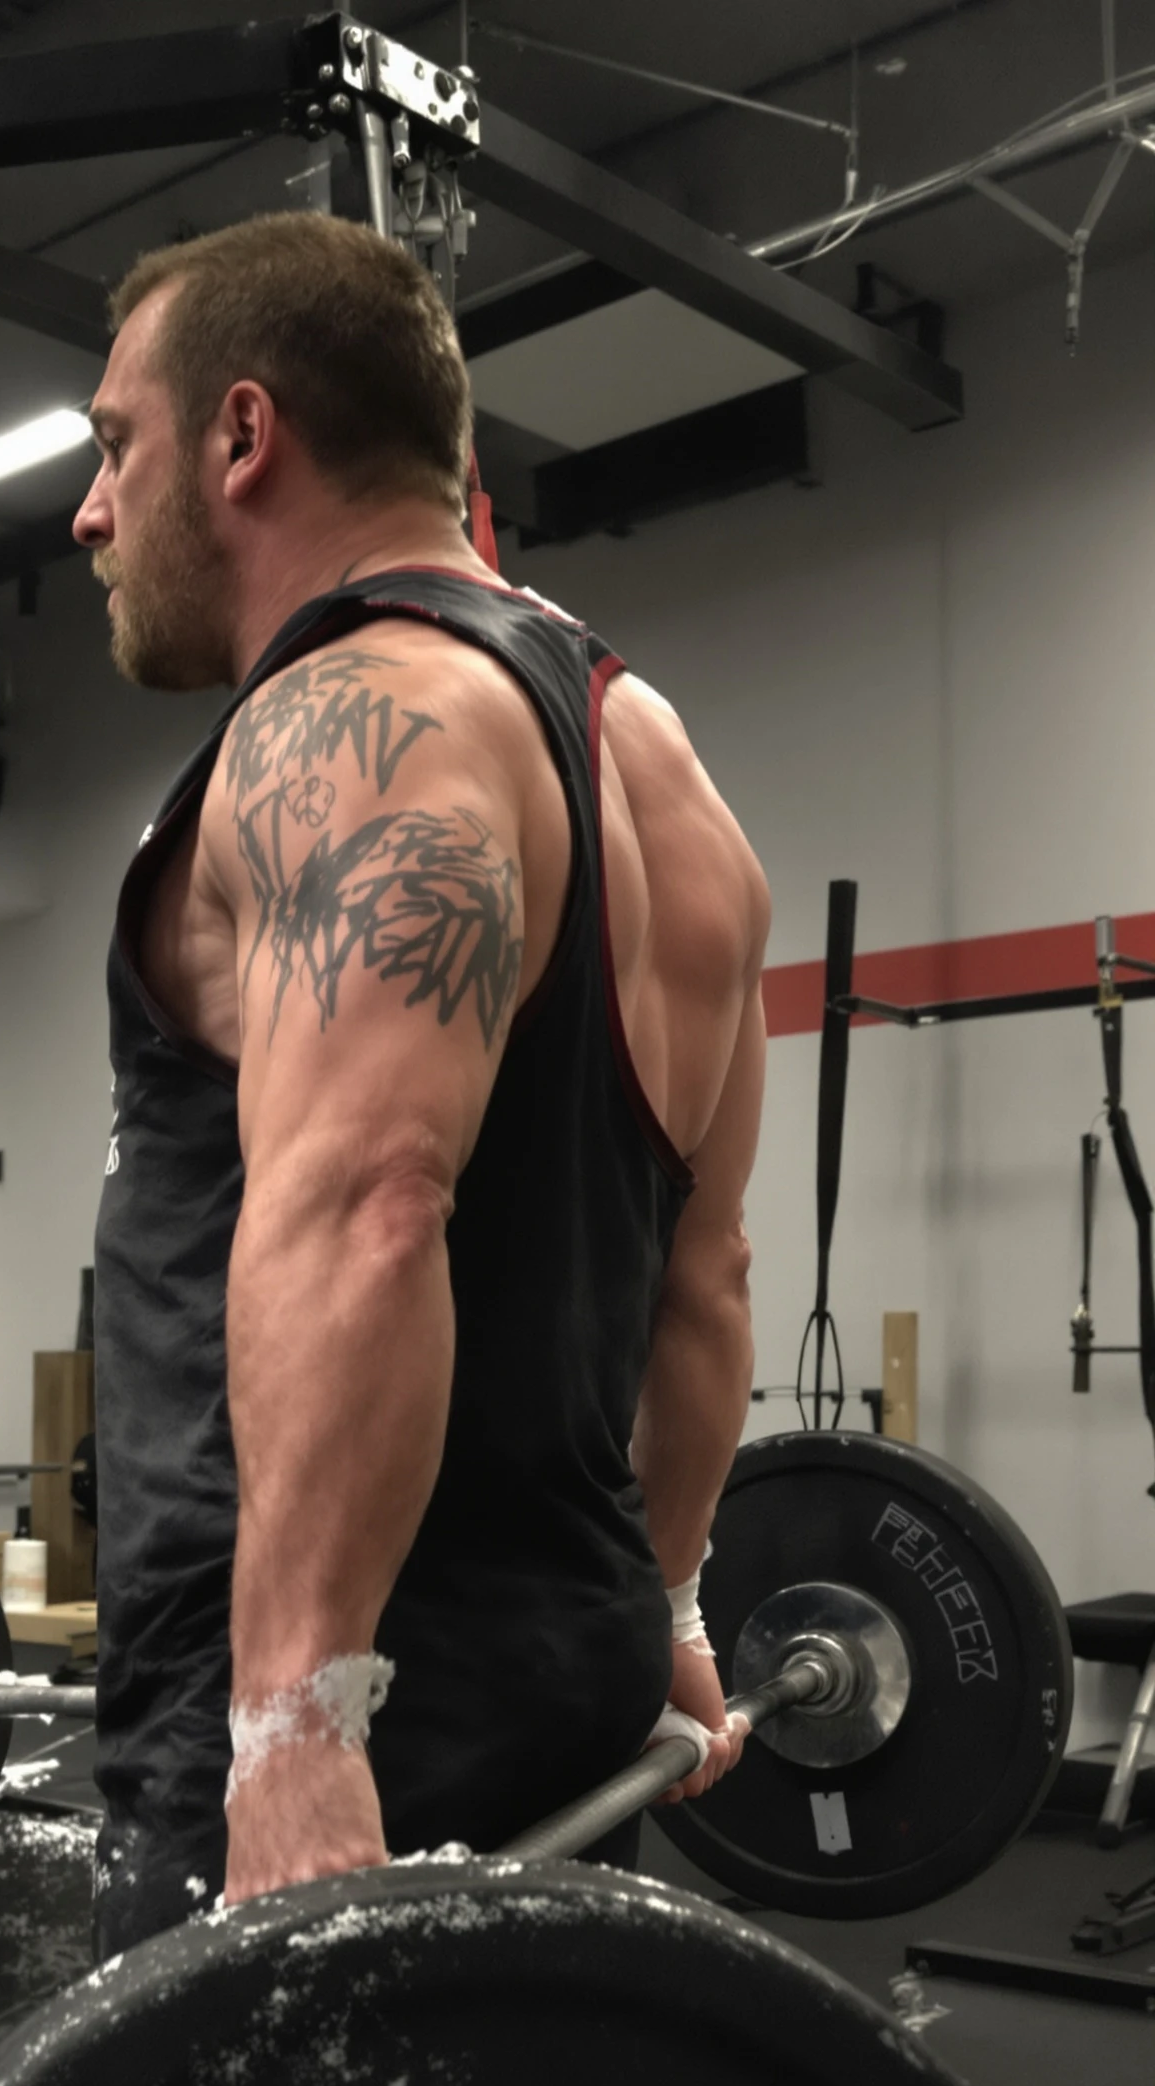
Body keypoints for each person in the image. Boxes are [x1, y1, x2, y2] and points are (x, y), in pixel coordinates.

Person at [74, 211, 770, 1961]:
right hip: (575, 1684)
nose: (88, 513)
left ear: (243, 438)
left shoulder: (350, 721)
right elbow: (705, 1285)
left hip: (362, 1735)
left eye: (113, 445)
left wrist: (295, 1731)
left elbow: (372, 1207)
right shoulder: (659, 771)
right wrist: (668, 1601)